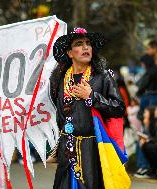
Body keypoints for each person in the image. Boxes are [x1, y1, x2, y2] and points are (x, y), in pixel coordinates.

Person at [50, 27, 125, 189]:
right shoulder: (59, 79)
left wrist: (91, 97)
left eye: (88, 44)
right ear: (70, 53)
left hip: (93, 150)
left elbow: (119, 108)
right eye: (79, 44)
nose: (85, 47)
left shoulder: (103, 76)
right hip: (67, 147)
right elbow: (57, 110)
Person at [136, 54, 157, 121]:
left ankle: (145, 130)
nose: (142, 65)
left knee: (144, 116)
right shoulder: (156, 69)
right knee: (151, 116)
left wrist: (138, 93)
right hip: (155, 95)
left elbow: (143, 84)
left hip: (148, 95)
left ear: (146, 62)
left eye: (142, 63)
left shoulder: (150, 71)